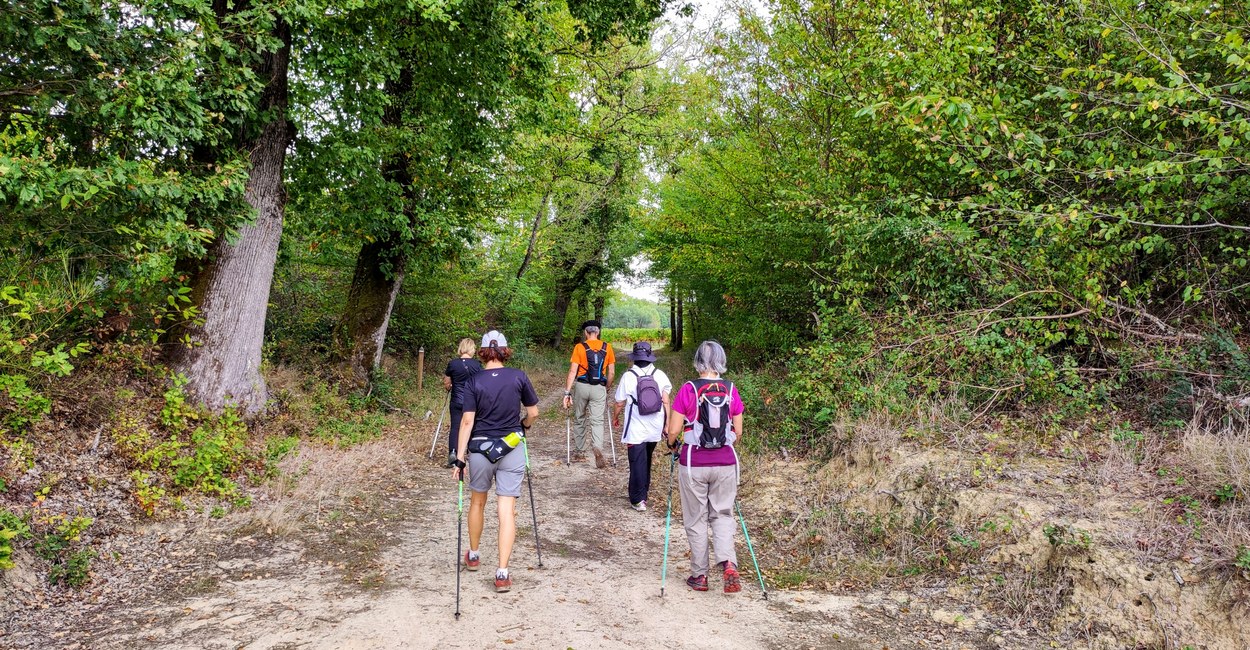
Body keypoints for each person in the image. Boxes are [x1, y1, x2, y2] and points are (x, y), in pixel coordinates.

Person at [451, 330, 539, 594]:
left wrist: (459, 458)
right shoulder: (518, 376)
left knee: (478, 501)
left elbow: (467, 421)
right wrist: (524, 425)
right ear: (504, 350)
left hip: (479, 450)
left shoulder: (474, 380)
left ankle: (474, 555)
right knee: (506, 509)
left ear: (482, 352)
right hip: (511, 448)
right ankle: (502, 572)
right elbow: (533, 412)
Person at [665, 340, 745, 594]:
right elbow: (738, 432)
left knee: (696, 518)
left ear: (697, 360)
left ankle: (700, 576)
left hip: (694, 463)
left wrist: (672, 443)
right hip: (726, 463)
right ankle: (728, 562)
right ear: (721, 361)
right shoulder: (731, 390)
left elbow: (674, 430)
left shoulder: (688, 389)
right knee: (722, 514)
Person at [612, 341, 672, 511]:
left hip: (636, 428)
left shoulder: (628, 376)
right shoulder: (660, 375)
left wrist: (615, 417)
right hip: (655, 425)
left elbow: (619, 403)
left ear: (634, 358)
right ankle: (643, 492)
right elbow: (666, 401)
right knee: (646, 458)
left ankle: (638, 499)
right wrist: (666, 425)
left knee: (637, 460)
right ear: (649, 357)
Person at [561, 320, 615, 468]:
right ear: (597, 332)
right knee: (597, 420)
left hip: (582, 386)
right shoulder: (607, 347)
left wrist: (567, 392)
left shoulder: (579, 347)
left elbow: (573, 371)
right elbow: (611, 372)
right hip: (599, 388)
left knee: (579, 417)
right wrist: (607, 387)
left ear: (586, 332)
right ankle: (597, 447)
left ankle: (579, 451)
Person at [442, 338, 483, 467]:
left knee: (455, 427)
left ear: (461, 348)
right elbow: (481, 383)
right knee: (472, 426)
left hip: (456, 400)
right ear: (472, 349)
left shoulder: (453, 364)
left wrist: (450, 386)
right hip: (472, 402)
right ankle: (471, 453)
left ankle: (453, 453)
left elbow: (447, 383)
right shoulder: (477, 365)